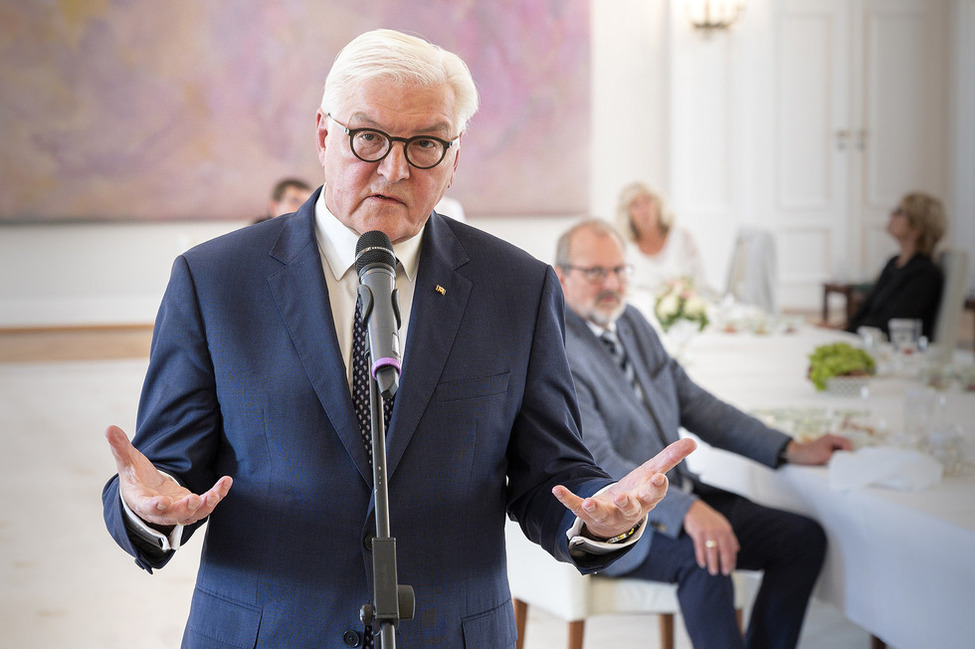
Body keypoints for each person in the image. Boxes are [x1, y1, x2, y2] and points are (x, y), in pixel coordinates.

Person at [101, 29, 695, 648]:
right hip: (266, 633)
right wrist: (145, 509)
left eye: (426, 144)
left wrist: (602, 518)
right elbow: (166, 471)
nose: (395, 167)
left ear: (455, 156)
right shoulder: (215, 280)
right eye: (369, 137)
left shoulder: (517, 287)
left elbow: (552, 470)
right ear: (324, 135)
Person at [554, 219, 853, 649]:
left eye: (620, 270)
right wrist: (686, 510)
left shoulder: (631, 321)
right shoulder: (559, 348)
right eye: (596, 272)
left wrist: (789, 447)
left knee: (801, 540)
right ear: (561, 276)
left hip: (676, 494)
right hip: (617, 525)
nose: (612, 283)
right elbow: (602, 463)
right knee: (706, 557)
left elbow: (696, 404)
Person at [845, 192, 947, 340]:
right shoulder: (893, 263)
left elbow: (891, 326)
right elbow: (866, 311)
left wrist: (848, 333)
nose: (891, 214)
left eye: (899, 212)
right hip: (867, 340)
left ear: (917, 228)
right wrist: (841, 330)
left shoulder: (925, 274)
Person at [615, 182, 710, 301]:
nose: (644, 209)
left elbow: (701, 284)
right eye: (635, 205)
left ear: (658, 204)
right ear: (627, 214)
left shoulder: (682, 237)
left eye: (648, 200)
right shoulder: (625, 250)